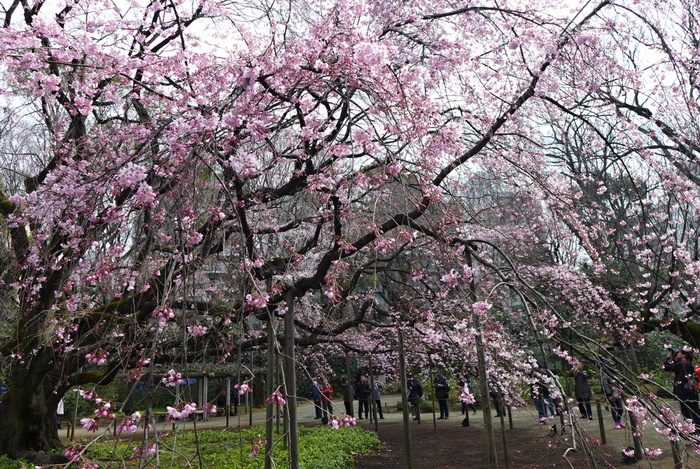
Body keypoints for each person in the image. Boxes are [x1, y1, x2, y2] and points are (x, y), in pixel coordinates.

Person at [663, 348, 700, 427]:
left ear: (684, 354)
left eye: (679, 353)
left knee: (686, 410)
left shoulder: (680, 364)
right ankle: (697, 427)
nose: (677, 354)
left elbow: (666, 367)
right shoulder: (689, 363)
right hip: (692, 390)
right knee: (695, 409)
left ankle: (690, 429)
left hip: (683, 391)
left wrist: (669, 357)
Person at [600, 361, 626, 429]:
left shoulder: (617, 373)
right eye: (612, 365)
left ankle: (619, 421)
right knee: (614, 408)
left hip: (618, 393)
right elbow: (605, 385)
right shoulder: (605, 374)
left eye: (614, 365)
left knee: (620, 408)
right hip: (611, 393)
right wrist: (609, 394)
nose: (614, 367)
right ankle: (616, 423)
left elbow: (621, 382)